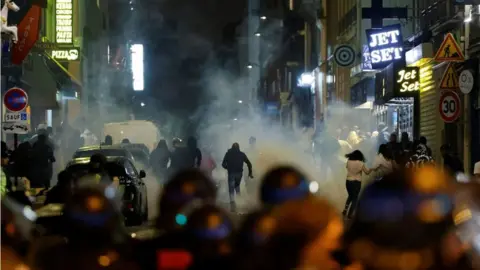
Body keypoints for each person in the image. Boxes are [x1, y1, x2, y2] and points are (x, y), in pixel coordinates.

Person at [221, 143, 253, 212]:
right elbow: (249, 163)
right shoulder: (242, 154)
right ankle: (239, 203)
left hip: (231, 173)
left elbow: (223, 164)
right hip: (239, 174)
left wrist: (228, 168)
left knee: (231, 189)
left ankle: (233, 205)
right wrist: (250, 173)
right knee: (237, 187)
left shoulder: (228, 153)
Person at [343, 150, 371, 219]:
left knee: (350, 196)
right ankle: (350, 214)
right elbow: (367, 172)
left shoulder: (349, 161)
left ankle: (345, 210)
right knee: (355, 198)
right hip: (356, 182)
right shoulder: (361, 163)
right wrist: (371, 169)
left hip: (348, 181)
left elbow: (347, 168)